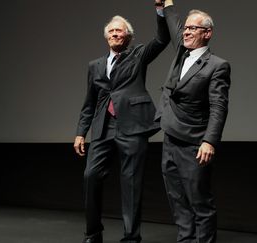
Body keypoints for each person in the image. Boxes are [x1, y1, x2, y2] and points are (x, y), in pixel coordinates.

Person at [73, 3, 170, 243]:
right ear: (107, 37)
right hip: (104, 127)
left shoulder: (138, 54)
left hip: (133, 127)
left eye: (120, 31)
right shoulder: (95, 65)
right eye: (111, 32)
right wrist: (80, 132)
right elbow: (90, 102)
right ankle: (93, 233)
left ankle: (131, 238)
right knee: (90, 176)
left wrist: (160, 11)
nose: (115, 34)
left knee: (132, 184)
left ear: (128, 36)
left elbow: (162, 39)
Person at [155, 0, 231, 242]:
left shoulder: (217, 66)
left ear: (207, 33)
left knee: (200, 202)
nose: (186, 32)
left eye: (192, 29)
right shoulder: (181, 52)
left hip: (193, 144)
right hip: (170, 138)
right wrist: (166, 4)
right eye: (185, 28)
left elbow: (219, 106)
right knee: (177, 200)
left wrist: (209, 141)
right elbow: (174, 24)